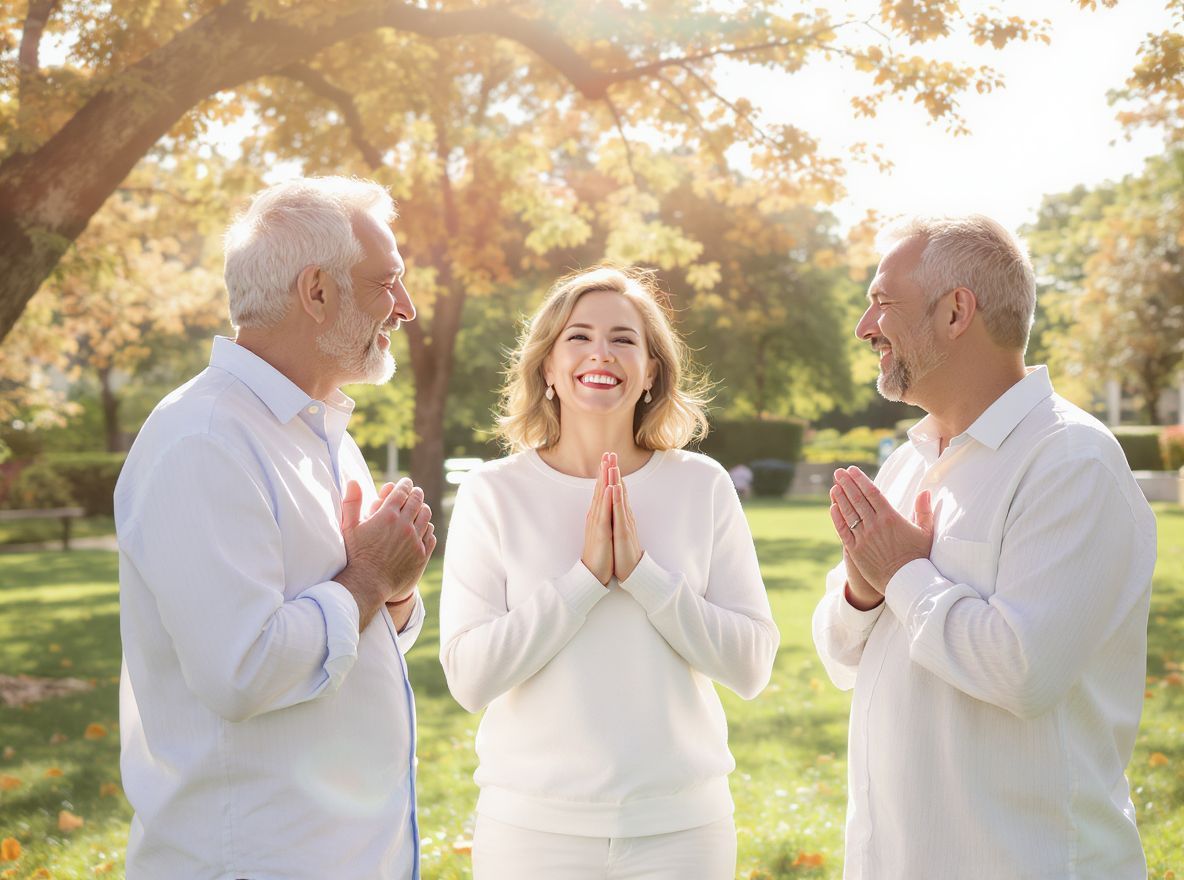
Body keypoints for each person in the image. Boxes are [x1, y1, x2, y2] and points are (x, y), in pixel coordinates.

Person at [812, 215, 1156, 879]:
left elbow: (1023, 673)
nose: (865, 327)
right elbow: (837, 656)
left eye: (882, 303)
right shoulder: (906, 464)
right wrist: (862, 590)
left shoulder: (1071, 462)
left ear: (955, 312)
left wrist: (904, 572)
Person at [115, 177, 436, 880]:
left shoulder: (322, 432)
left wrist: (396, 593)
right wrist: (369, 577)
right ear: (317, 291)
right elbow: (243, 670)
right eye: (387, 282)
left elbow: (356, 629)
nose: (406, 308)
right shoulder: (203, 440)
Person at [439, 266, 779, 879]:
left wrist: (644, 577)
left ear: (651, 370)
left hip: (682, 834)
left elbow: (752, 665)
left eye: (624, 339)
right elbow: (469, 679)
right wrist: (584, 582)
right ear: (546, 365)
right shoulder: (494, 493)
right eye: (579, 336)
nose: (602, 353)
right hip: (533, 835)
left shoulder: (702, 486)